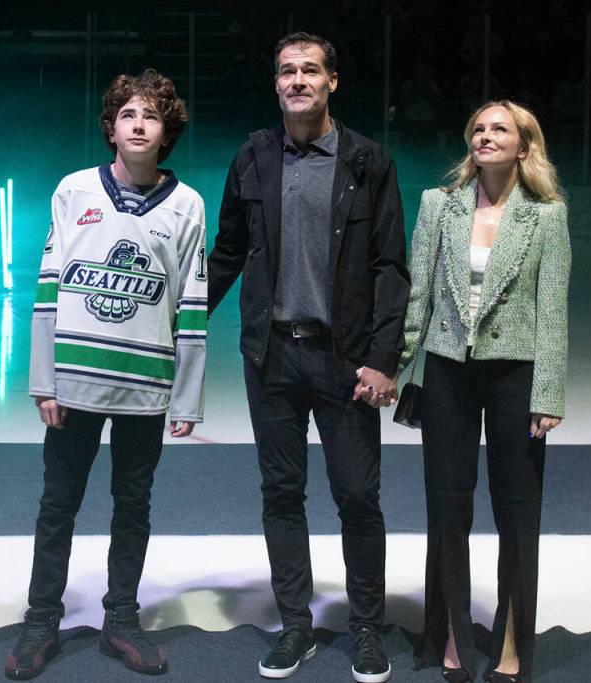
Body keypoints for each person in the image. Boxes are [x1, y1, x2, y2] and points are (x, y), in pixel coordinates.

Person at [207, 32, 409, 683]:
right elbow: (228, 252)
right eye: (287, 71)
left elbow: (390, 267)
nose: (298, 80)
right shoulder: (253, 157)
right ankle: (295, 624)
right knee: (281, 491)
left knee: (358, 494)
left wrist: (384, 358)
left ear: (332, 82)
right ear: (276, 84)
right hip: (272, 359)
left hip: (345, 361)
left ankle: (367, 628)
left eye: (310, 70)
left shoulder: (367, 162)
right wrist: (178, 324)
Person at [3, 69, 206, 680]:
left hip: (145, 387)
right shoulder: (73, 191)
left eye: (152, 115)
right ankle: (41, 619)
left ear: (166, 130)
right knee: (58, 503)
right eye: (128, 114)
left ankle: (121, 619)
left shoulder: (188, 203)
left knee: (132, 506)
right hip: (75, 384)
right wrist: (43, 380)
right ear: (112, 128)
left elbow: (191, 306)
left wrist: (186, 397)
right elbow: (46, 289)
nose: (139, 123)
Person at [400, 100, 570, 683]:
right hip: (448, 369)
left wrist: (547, 392)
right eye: (477, 127)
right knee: (447, 505)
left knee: (518, 511)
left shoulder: (546, 216)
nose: (485, 135)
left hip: (515, 374)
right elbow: (418, 295)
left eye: (500, 128)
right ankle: (449, 632)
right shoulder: (437, 205)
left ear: (525, 145)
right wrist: (396, 369)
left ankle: (510, 645)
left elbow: (552, 313)